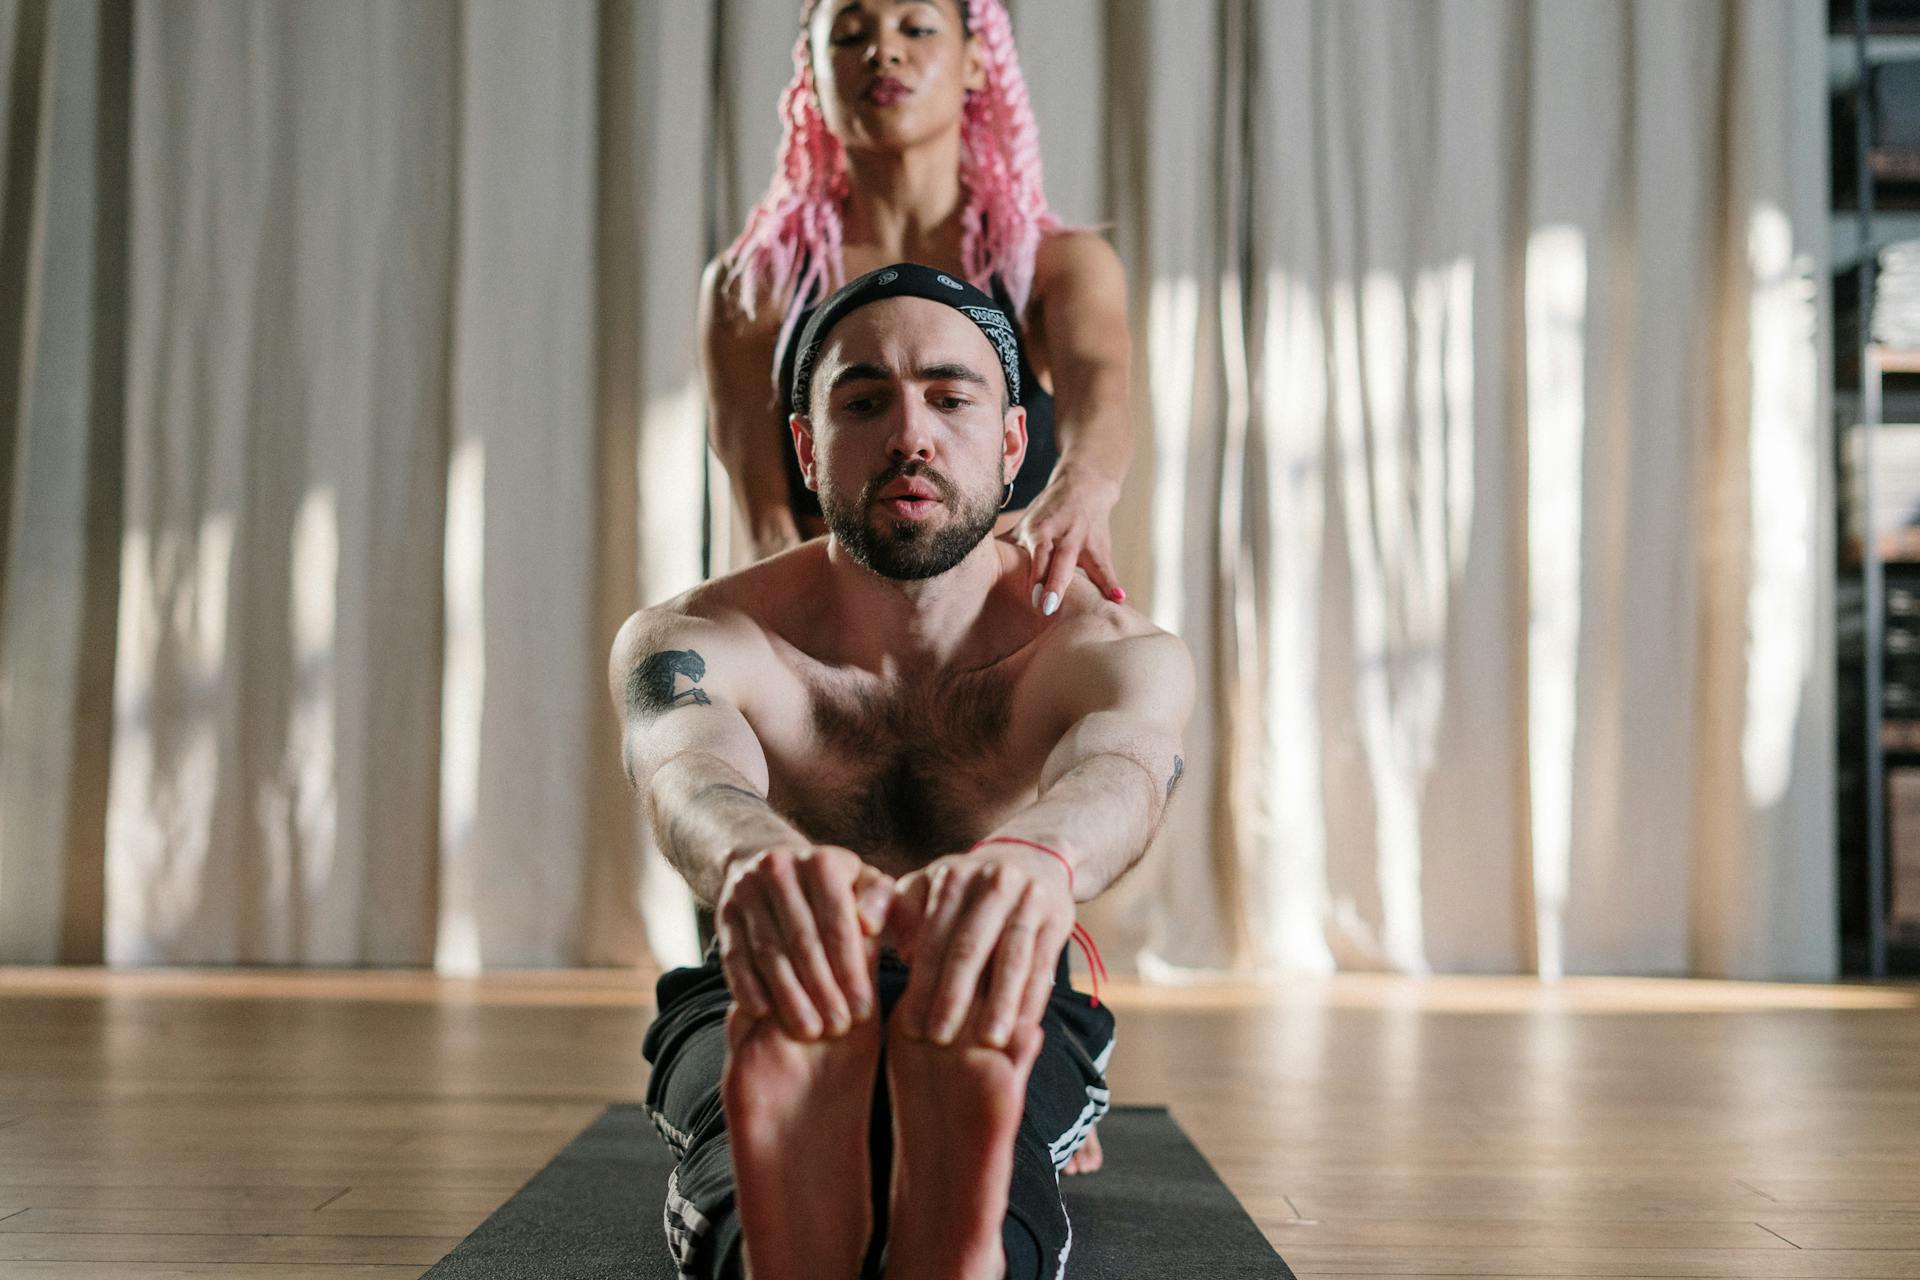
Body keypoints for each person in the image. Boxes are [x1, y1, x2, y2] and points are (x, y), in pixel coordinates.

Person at [613, 264, 1192, 1280]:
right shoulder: (699, 634)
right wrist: (762, 865)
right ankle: (799, 1208)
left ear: (1016, 443)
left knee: (993, 1134)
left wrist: (1036, 858)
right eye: (864, 398)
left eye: (951, 395)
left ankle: (954, 1221)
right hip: (766, 976)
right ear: (805, 444)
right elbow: (684, 773)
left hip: (996, 974)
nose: (909, 433)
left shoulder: (1106, 646)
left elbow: (1126, 768)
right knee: (736, 1153)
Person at [700, 0, 1133, 624]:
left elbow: (1103, 398)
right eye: (849, 37)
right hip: (828, 634)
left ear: (978, 63)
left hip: (1009, 628)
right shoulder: (753, 287)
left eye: (918, 27)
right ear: (813, 79)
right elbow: (761, 525)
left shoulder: (1057, 267)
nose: (883, 51)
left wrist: (1085, 485)